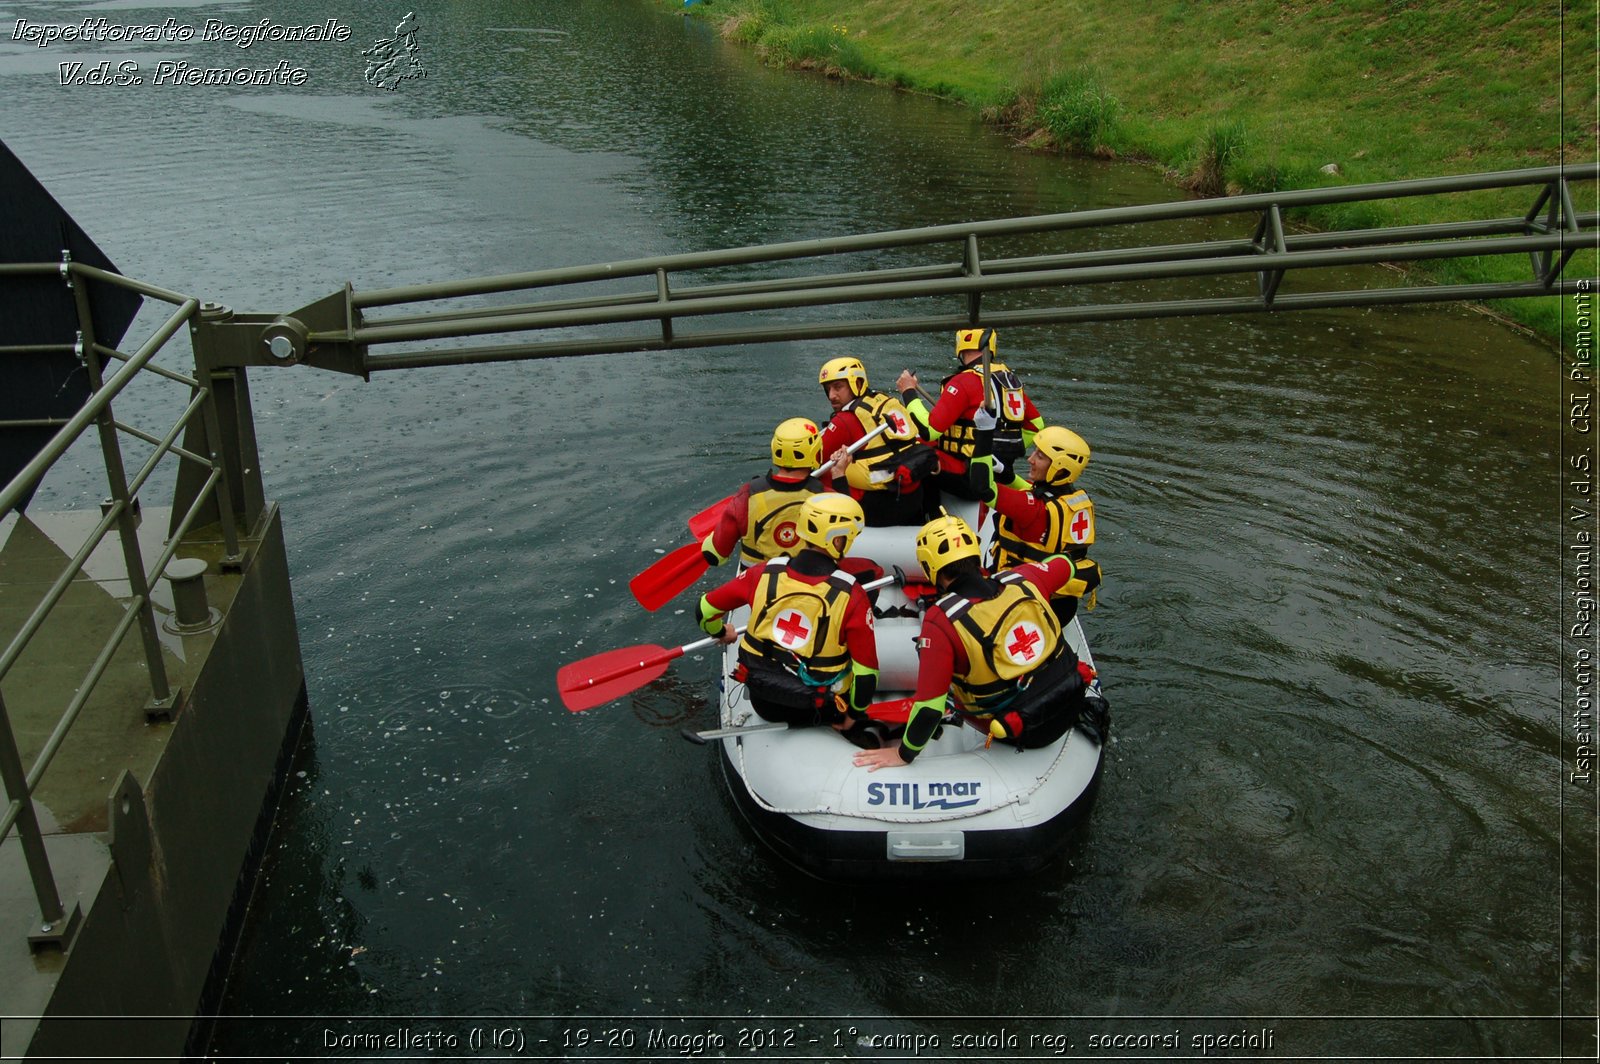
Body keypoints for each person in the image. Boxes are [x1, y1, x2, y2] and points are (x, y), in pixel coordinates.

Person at [852, 514, 1109, 771]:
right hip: (1068, 702)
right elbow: (1066, 564)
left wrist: (904, 753)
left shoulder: (940, 620)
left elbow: (930, 707)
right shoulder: (1025, 578)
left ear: (931, 568)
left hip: (1014, 728)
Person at [697, 494, 885, 744]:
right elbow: (867, 672)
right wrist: (855, 714)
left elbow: (704, 610)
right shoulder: (853, 595)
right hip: (821, 708)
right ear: (838, 539)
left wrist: (721, 632)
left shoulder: (763, 573)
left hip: (764, 701)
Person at [969, 420, 1102, 625]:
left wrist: (984, 434)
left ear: (1059, 467)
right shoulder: (1075, 499)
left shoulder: (1032, 510)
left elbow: (981, 487)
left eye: (1039, 456)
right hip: (1062, 605)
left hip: (1026, 605)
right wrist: (1006, 473)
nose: (1030, 459)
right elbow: (1033, 493)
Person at [896, 328, 1046, 501]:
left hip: (968, 478)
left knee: (909, 448)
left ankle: (927, 516)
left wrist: (908, 391)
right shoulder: (1009, 381)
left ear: (960, 346)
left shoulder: (963, 381)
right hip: (999, 472)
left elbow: (929, 430)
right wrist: (1000, 451)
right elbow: (1037, 425)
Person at [817, 356, 937, 527]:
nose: (831, 396)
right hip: (914, 498)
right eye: (828, 389)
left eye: (838, 387)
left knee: (825, 474)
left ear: (857, 383)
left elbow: (815, 458)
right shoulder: (883, 400)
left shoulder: (844, 421)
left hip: (882, 508)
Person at [700, 417, 824, 569]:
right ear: (816, 452)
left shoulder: (749, 494)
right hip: (804, 586)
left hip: (756, 586)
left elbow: (715, 555)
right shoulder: (825, 496)